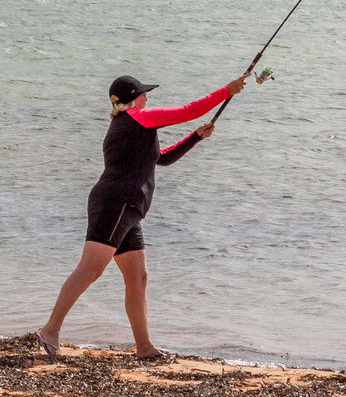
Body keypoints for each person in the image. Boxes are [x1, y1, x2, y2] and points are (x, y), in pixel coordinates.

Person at [36, 73, 252, 359]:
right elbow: (190, 110)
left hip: (129, 208)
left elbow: (161, 158)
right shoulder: (138, 117)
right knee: (90, 269)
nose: (147, 98)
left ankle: (144, 347)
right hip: (117, 202)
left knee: (138, 277)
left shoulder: (129, 125)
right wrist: (227, 90)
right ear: (132, 100)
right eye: (143, 94)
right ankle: (50, 329)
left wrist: (195, 137)